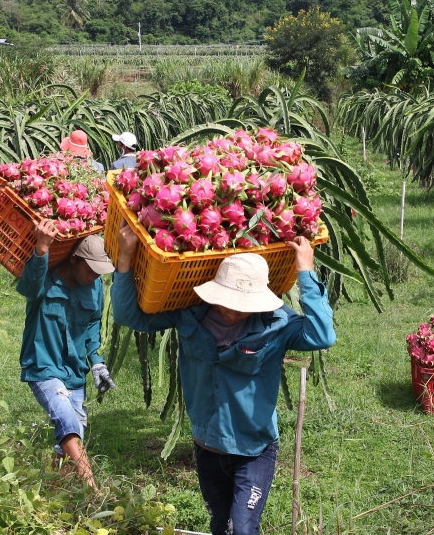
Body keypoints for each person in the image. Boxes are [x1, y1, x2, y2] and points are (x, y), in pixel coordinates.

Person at [112, 222, 335, 535]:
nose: (234, 310)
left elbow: (322, 335)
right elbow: (129, 316)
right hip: (208, 445)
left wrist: (306, 272)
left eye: (243, 304)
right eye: (228, 299)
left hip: (255, 449)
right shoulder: (189, 312)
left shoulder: (278, 323)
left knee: (243, 529)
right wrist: (124, 259)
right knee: (220, 525)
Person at [17, 220, 117, 488]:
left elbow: (94, 322)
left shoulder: (94, 286)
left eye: (99, 272)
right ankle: (95, 492)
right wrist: (41, 248)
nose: (95, 276)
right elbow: (27, 288)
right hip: (43, 365)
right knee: (68, 423)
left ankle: (55, 494)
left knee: (67, 443)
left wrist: (96, 362)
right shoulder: (45, 277)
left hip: (74, 373)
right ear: (74, 259)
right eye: (91, 270)